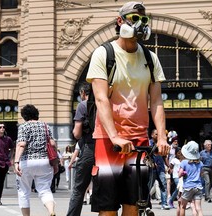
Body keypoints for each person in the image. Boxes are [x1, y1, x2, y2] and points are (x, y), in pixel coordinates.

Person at [86, 2, 170, 215]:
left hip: (139, 139)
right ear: (120, 21)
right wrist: (114, 137)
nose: (139, 24)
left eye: (143, 19)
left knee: (134, 204)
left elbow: (157, 101)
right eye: (134, 18)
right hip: (108, 140)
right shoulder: (103, 54)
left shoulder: (151, 59)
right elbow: (101, 99)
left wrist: (161, 137)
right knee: (108, 207)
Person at [14, 104, 57, 216]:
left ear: (24, 116)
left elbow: (21, 145)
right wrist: (56, 163)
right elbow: (52, 144)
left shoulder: (23, 127)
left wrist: (16, 162)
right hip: (45, 162)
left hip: (27, 162)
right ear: (36, 114)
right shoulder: (45, 126)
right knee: (45, 190)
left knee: (23, 191)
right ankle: (51, 211)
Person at [67, 82, 95, 216]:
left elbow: (77, 134)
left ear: (83, 93)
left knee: (79, 188)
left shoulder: (83, 105)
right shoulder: (105, 102)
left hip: (89, 148)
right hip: (106, 149)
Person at [178, 141, 204, 216]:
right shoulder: (200, 163)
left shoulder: (184, 163)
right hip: (198, 187)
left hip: (188, 187)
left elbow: (179, 174)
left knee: (183, 206)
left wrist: (184, 173)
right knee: (198, 208)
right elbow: (201, 174)